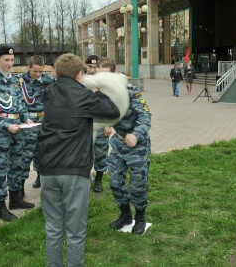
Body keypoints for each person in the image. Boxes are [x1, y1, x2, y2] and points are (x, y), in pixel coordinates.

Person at [37, 53, 120, 267]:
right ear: (80, 73)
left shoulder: (49, 92)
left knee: (53, 228)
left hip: (47, 170)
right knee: (75, 231)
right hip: (74, 171)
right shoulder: (83, 94)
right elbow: (112, 110)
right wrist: (95, 91)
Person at [0, 45, 36, 222]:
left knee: (17, 165)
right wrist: (5, 126)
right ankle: (0, 207)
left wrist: (26, 119)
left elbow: (21, 104)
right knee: (0, 169)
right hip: (0, 134)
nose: (10, 63)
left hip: (18, 131)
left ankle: (15, 200)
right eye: (6, 60)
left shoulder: (16, 81)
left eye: (12, 60)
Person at [108, 82, 151, 235]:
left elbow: (145, 116)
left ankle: (140, 218)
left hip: (137, 144)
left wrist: (136, 134)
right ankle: (125, 215)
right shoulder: (101, 92)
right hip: (119, 142)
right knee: (114, 181)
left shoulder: (130, 92)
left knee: (138, 184)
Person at [17, 55, 54, 197]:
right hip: (28, 122)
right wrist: (25, 118)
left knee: (42, 152)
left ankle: (40, 177)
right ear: (28, 67)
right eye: (35, 72)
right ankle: (20, 187)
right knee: (26, 155)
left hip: (44, 121)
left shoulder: (48, 80)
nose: (38, 74)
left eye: (40, 71)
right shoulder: (20, 81)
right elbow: (18, 102)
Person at [92, 57, 116, 193]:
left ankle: (98, 180)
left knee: (101, 154)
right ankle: (86, 180)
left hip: (102, 125)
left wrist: (109, 124)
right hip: (87, 125)